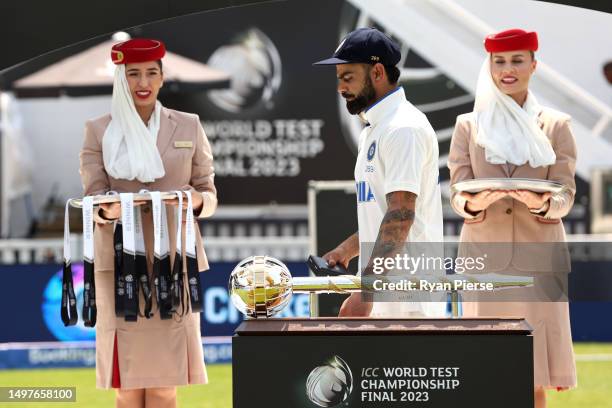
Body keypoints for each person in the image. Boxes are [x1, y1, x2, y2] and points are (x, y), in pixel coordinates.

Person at [79, 38, 217, 408]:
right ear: (120, 79)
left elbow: (209, 192)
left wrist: (192, 200)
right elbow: (94, 196)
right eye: (133, 73)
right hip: (120, 264)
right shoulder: (98, 130)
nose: (143, 81)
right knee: (126, 386)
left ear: (161, 78)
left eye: (151, 73)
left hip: (175, 261)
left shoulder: (188, 125)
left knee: (164, 386)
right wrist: (111, 209)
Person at [447, 29, 577, 407]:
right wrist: (477, 201)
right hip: (484, 260)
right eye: (499, 61)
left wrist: (539, 204)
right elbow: (457, 191)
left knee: (533, 375)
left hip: (538, 262)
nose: (508, 70)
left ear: (534, 65)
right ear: (488, 65)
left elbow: (565, 194)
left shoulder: (556, 125)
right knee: (488, 371)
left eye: (517, 60)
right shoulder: (468, 126)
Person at [313, 28, 444, 317]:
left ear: (378, 72)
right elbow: (388, 214)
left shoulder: (403, 128)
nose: (340, 88)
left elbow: (401, 216)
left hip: (409, 299)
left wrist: (366, 292)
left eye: (348, 77)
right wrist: (346, 251)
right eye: (338, 79)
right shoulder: (376, 129)